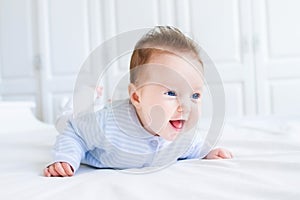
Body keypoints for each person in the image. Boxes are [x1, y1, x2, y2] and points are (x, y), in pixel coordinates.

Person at [44, 26, 233, 177]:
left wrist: (208, 152)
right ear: (136, 97)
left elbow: (195, 146)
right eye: (171, 93)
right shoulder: (107, 126)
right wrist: (66, 159)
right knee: (65, 120)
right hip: (86, 120)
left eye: (195, 96)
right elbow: (74, 133)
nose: (186, 106)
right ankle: (83, 99)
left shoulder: (184, 134)